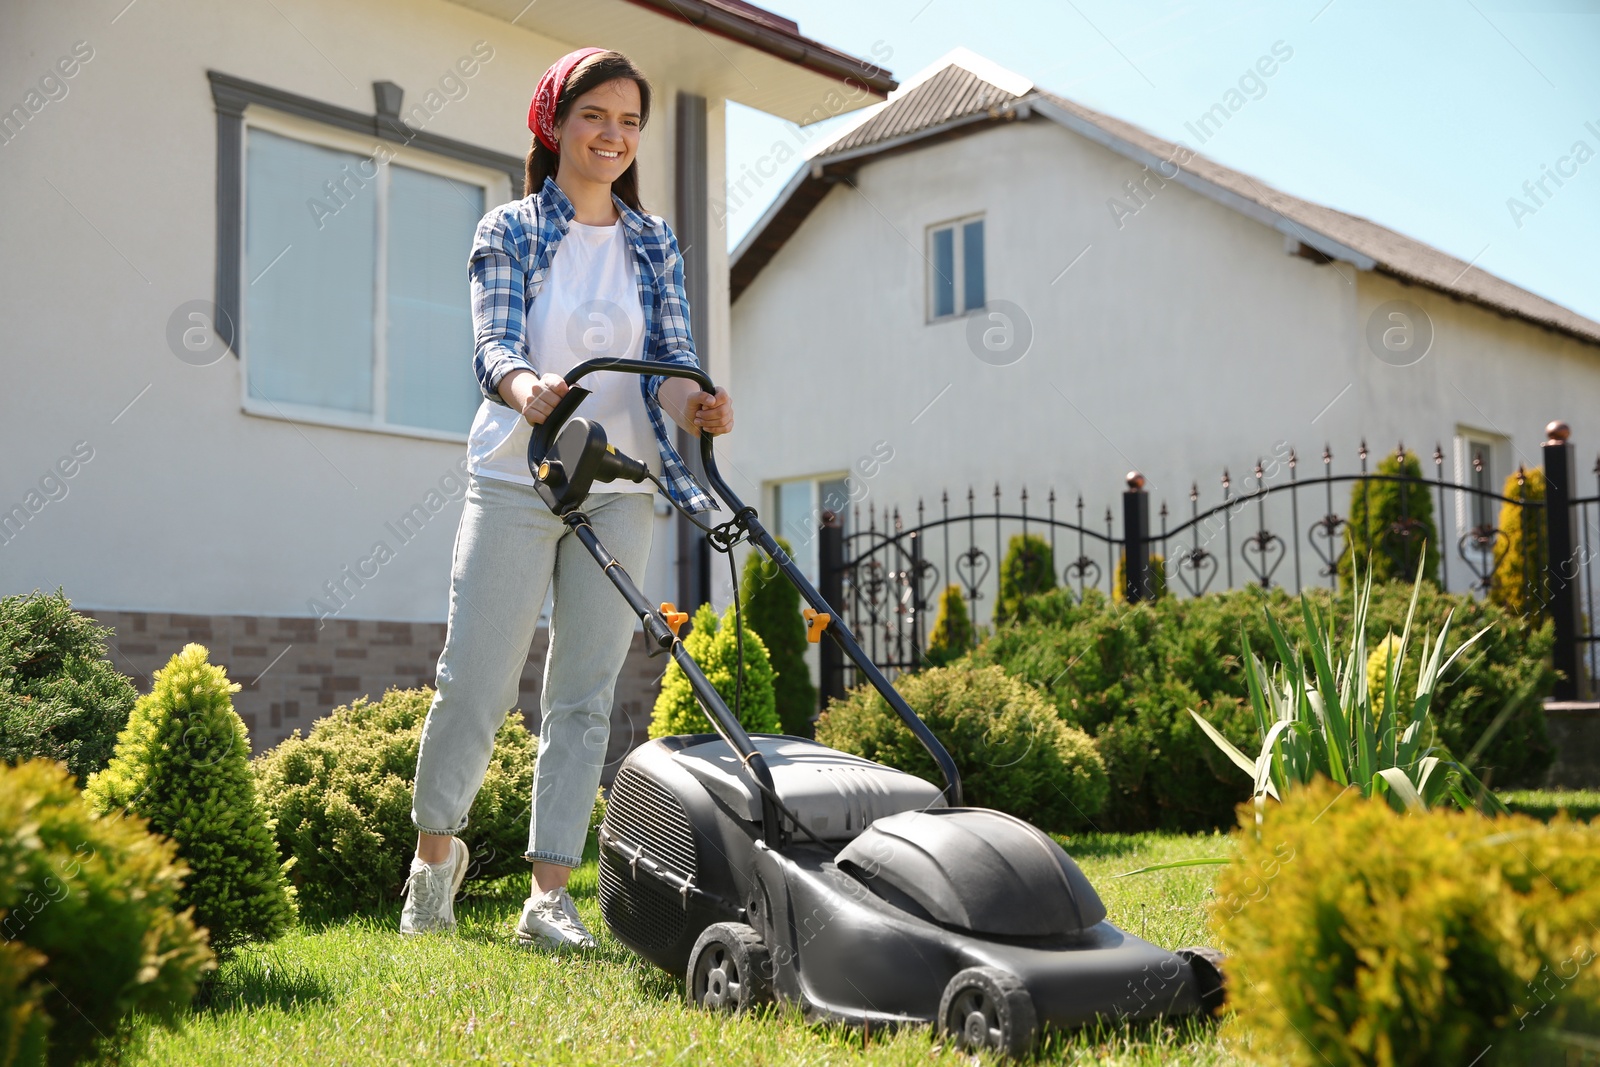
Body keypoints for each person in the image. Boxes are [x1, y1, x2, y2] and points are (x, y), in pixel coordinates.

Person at [399, 48, 732, 948]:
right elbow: (493, 344)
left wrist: (697, 402)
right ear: (556, 123)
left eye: (630, 121)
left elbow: (667, 365)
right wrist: (523, 388)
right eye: (597, 117)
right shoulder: (509, 228)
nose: (614, 136)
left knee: (584, 692)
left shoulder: (653, 241)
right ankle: (434, 865)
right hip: (518, 474)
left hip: (620, 485)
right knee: (475, 679)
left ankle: (548, 893)